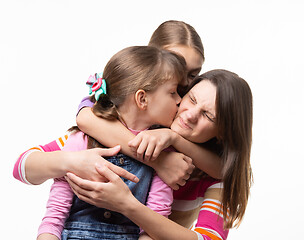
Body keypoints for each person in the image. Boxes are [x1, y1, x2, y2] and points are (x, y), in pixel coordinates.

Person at [13, 20, 222, 191]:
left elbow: (226, 171)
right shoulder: (104, 124)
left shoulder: (197, 118)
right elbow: (85, 119)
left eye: (193, 74)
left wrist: (174, 137)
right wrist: (159, 161)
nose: (184, 82)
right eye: (174, 64)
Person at [66, 69, 254, 240]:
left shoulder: (214, 177)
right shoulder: (137, 128)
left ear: (223, 133)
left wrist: (127, 205)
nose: (190, 115)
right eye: (192, 100)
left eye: (208, 115)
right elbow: (37, 159)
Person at [37, 45, 186, 240]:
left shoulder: (165, 155)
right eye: (173, 92)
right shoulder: (81, 140)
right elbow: (54, 217)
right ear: (142, 99)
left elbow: (153, 227)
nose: (180, 100)